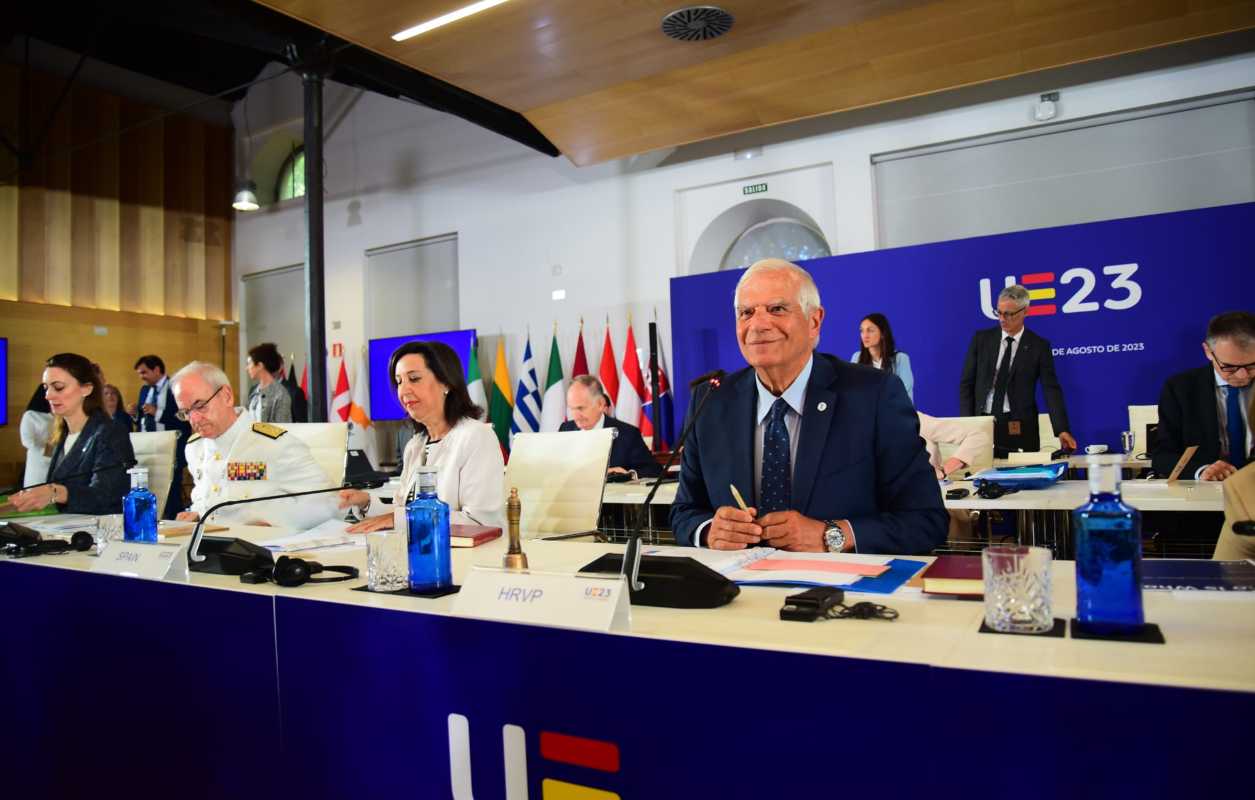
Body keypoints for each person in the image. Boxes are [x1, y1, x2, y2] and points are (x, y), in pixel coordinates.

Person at [670, 258, 947, 554]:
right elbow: (684, 511)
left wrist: (831, 535)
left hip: (842, 593)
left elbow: (926, 520)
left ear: (814, 321)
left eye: (777, 309)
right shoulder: (710, 401)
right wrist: (710, 530)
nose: (758, 324)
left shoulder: (875, 395)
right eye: (746, 313)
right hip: (739, 593)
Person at [340, 341, 505, 532]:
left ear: (446, 382)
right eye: (399, 381)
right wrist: (366, 502)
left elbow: (481, 522)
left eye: (414, 378)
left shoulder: (476, 437)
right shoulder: (415, 444)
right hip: (417, 549)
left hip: (460, 557)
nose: (403, 390)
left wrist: (402, 520)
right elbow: (402, 510)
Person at [171, 361, 339, 529]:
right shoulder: (194, 448)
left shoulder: (273, 445)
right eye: (186, 412)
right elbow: (207, 499)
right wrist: (196, 514)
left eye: (200, 406)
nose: (194, 420)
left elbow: (329, 502)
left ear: (227, 396)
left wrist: (276, 523)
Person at [9, 354, 135, 515]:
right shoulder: (63, 434)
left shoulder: (110, 432)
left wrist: (57, 493)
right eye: (46, 388)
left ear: (87, 389)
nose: (48, 396)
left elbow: (107, 497)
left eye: (59, 387)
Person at [959, 284, 1076, 455]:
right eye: (999, 312)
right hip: (982, 425)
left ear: (1025, 312)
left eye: (1009, 314)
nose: (1002, 319)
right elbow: (966, 385)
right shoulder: (981, 340)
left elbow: (1051, 390)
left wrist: (1062, 429)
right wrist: (967, 425)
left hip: (1020, 427)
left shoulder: (1039, 346)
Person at [1154, 311, 1254, 481]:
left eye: (1252, 365)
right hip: (1207, 492)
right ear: (1208, 352)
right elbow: (1162, 456)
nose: (1243, 375)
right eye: (1229, 367)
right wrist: (1201, 471)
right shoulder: (1180, 388)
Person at [559, 375, 662, 479]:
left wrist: (627, 474)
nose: (576, 416)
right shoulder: (565, 429)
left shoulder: (628, 434)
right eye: (572, 409)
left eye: (581, 408)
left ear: (600, 404)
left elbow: (654, 470)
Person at [129, 354, 192, 517]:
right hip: (149, 445)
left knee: (170, 489)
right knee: (149, 486)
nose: (142, 377)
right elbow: (143, 418)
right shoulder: (144, 390)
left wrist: (158, 412)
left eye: (144, 372)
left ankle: (173, 520)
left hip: (171, 445)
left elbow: (184, 418)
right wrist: (135, 415)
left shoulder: (175, 387)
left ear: (156, 370)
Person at [851, 313, 914, 402]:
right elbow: (853, 392)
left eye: (870, 330)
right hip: (866, 413)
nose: (865, 335)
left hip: (893, 412)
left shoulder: (900, 359)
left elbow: (906, 395)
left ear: (882, 334)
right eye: (862, 331)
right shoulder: (857, 357)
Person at [245, 342, 293, 424]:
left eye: (249, 363)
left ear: (260, 365)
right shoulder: (254, 392)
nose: (246, 368)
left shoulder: (281, 394)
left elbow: (283, 430)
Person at [18, 385, 55, 489]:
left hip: (57, 459)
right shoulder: (30, 415)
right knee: (35, 491)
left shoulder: (58, 414)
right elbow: (27, 441)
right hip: (37, 460)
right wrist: (47, 451)